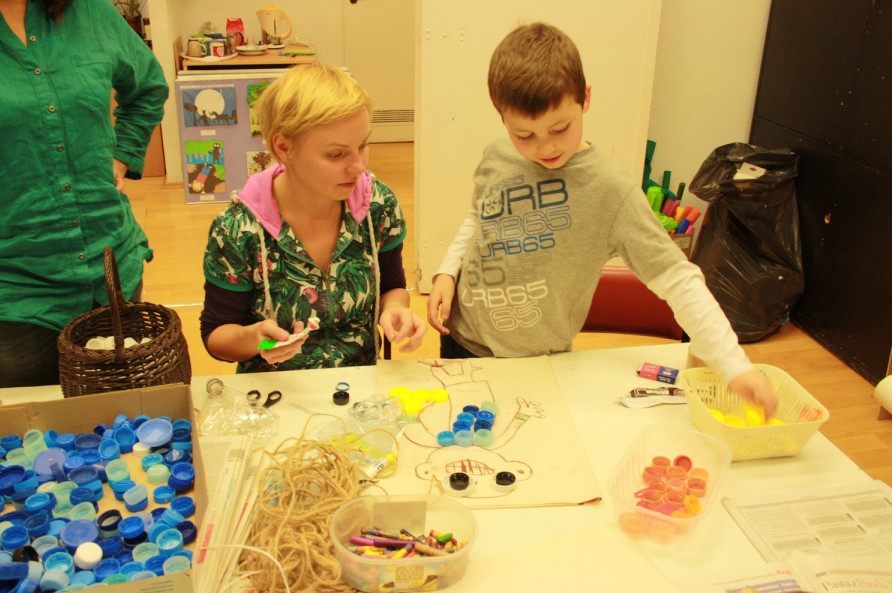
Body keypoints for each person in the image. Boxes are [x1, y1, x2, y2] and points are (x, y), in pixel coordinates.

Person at [427, 22, 777, 416]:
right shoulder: (497, 153)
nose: (544, 147)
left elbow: (679, 279)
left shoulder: (611, 190)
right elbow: (480, 216)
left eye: (560, 128)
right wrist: (447, 271)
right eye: (524, 135)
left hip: (538, 361)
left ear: (586, 98)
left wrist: (734, 366)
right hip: (462, 339)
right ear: (501, 116)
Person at [200, 65, 426, 373]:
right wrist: (255, 339)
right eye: (336, 154)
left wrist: (396, 308)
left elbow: (393, 286)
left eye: (363, 145)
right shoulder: (238, 230)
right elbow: (216, 336)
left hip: (361, 385)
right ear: (283, 147)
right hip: (277, 391)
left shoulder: (377, 204)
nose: (358, 166)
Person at [0, 0, 169, 388]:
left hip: (111, 267)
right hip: (15, 288)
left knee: (123, 409)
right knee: (30, 419)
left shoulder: (90, 11)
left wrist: (122, 155)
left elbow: (148, 86)